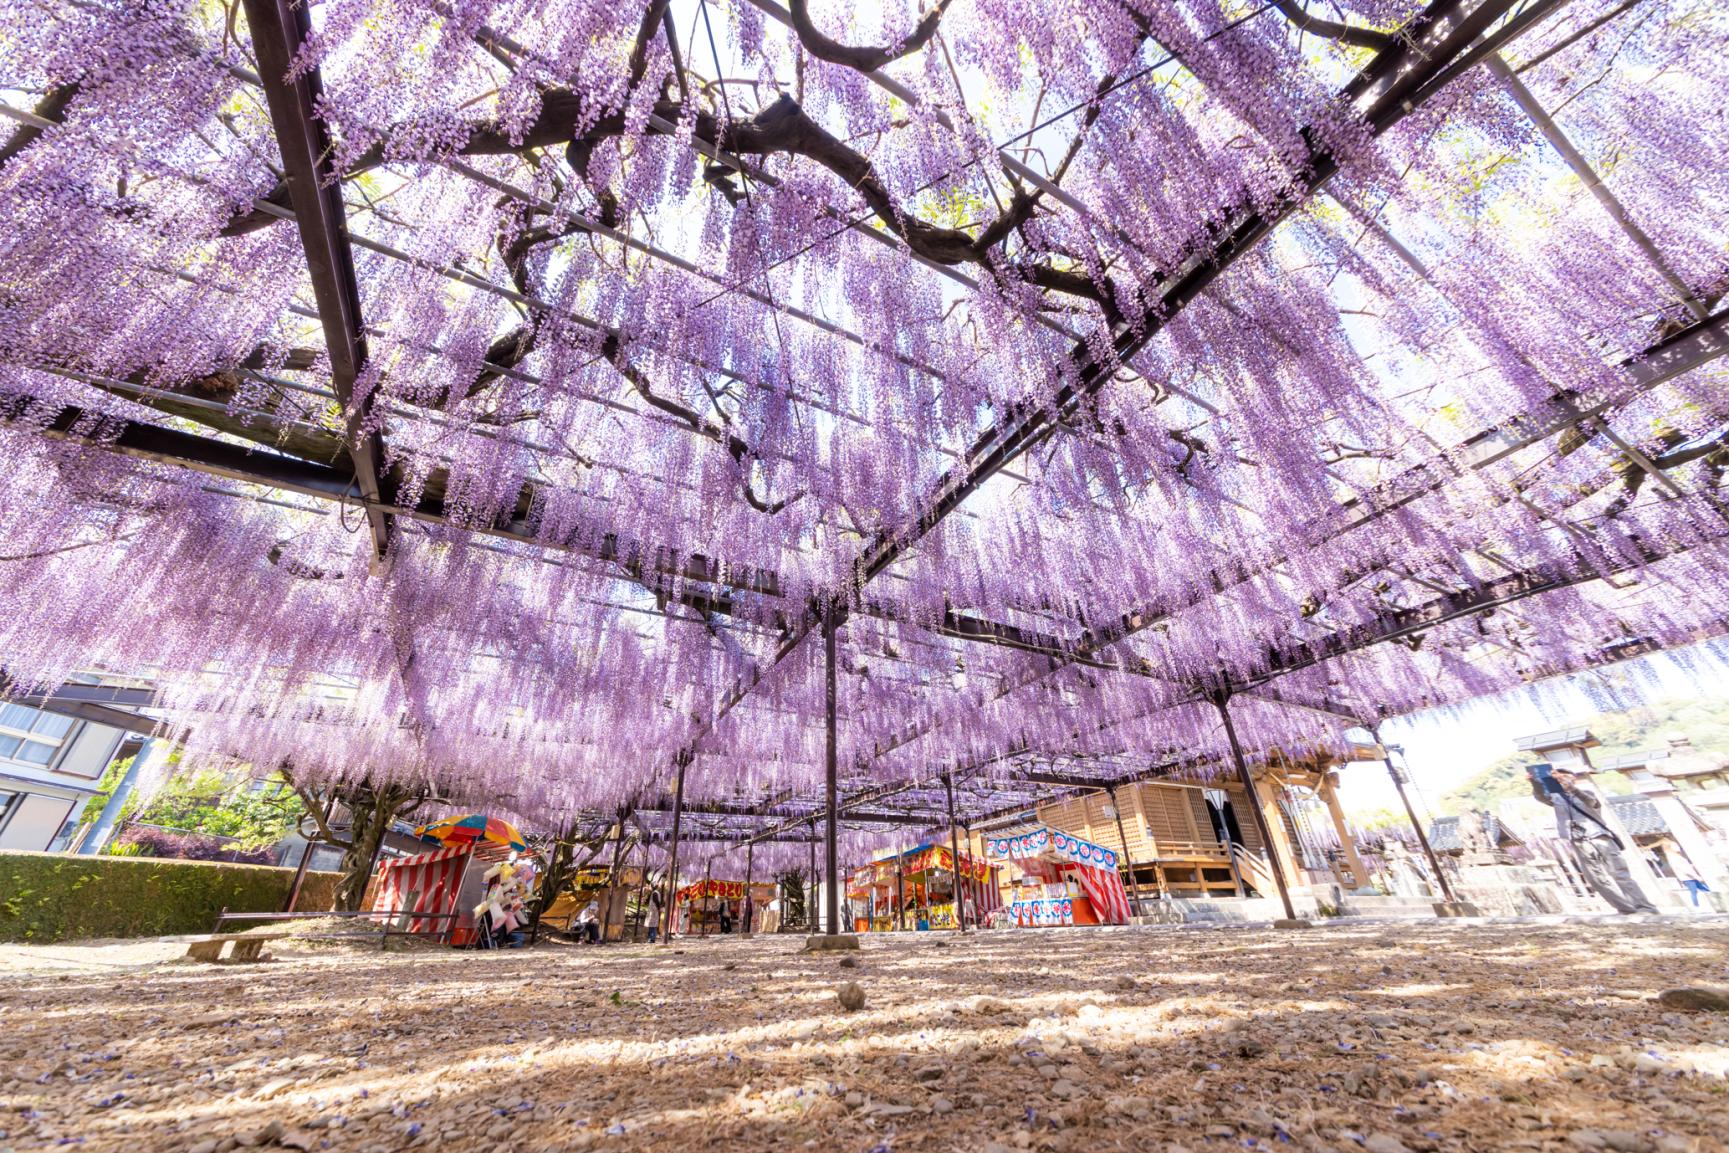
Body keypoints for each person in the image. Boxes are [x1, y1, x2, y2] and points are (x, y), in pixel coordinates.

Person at [1531, 764, 1658, 915]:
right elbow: (1540, 797)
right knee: (1595, 879)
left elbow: (1591, 802)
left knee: (1619, 873)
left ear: (1574, 779)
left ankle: (1644, 907)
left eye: (1565, 777)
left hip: (1598, 835)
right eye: (1557, 777)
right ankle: (1625, 908)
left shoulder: (1586, 792)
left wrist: (1571, 789)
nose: (1561, 780)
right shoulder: (1556, 798)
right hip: (1577, 840)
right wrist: (1535, 782)